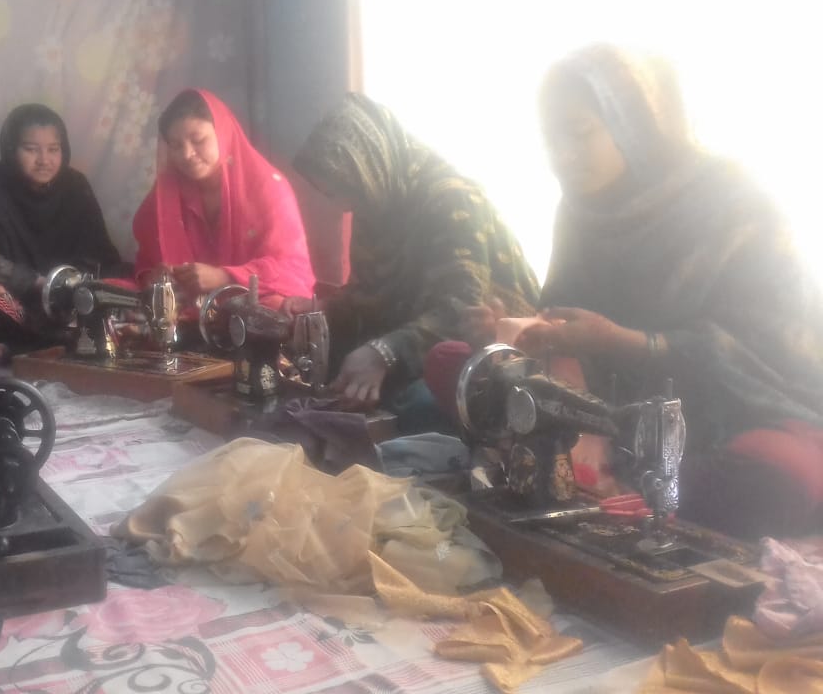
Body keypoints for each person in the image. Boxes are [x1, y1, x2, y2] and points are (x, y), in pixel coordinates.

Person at [509, 44, 823, 537]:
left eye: (580, 133)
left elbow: (764, 349)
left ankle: (632, 491)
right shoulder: (579, 211)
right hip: (627, 421)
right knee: (467, 373)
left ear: (632, 121)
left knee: (773, 480)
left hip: (750, 420)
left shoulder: (732, 202)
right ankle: (624, 485)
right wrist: (536, 340)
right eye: (551, 139)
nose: (563, 155)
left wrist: (622, 342)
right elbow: (563, 317)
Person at [290, 94, 540, 422]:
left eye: (341, 191)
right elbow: (371, 298)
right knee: (317, 368)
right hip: (417, 340)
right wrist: (322, 314)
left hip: (489, 350)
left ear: (370, 166)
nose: (341, 207)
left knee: (417, 403)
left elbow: (461, 311)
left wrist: (384, 354)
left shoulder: (453, 200)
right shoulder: (376, 201)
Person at [0, 104, 125, 351]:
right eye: (31, 150)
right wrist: (32, 281)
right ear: (11, 149)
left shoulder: (74, 186)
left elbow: (98, 249)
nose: (44, 160)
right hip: (14, 297)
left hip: (69, 296)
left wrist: (72, 286)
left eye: (53, 149)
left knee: (126, 283)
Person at [133, 89, 315, 309]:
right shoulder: (166, 195)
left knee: (275, 308)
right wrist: (156, 276)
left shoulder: (267, 187)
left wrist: (225, 277)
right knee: (105, 292)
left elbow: (290, 267)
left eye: (198, 140)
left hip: (249, 300)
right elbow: (146, 261)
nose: (187, 154)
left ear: (223, 133)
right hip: (185, 303)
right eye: (176, 145)